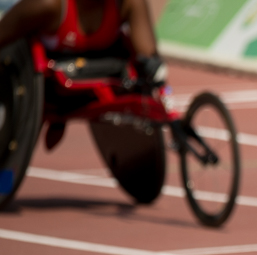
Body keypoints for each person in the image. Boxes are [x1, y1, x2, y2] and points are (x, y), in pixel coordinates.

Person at [0, 0, 165, 147]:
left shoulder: (128, 3)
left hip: (91, 85)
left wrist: (154, 70)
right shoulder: (47, 5)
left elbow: (149, 60)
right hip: (39, 90)